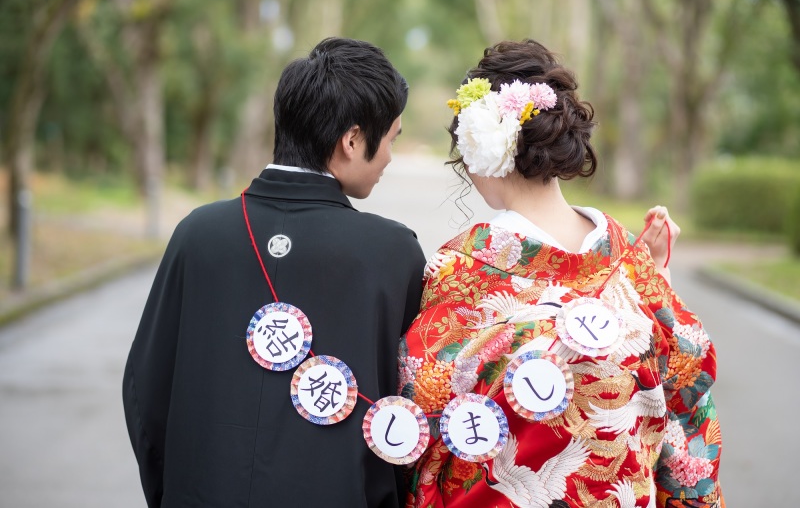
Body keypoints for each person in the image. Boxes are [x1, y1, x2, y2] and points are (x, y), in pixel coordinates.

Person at [398, 40, 723, 507]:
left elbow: (419, 412)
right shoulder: (627, 256)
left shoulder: (463, 269)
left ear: (479, 148)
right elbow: (687, 388)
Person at [123, 37, 426, 507]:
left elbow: (146, 389)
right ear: (352, 140)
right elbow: (411, 406)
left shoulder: (197, 234)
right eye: (391, 139)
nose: (389, 157)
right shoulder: (390, 252)